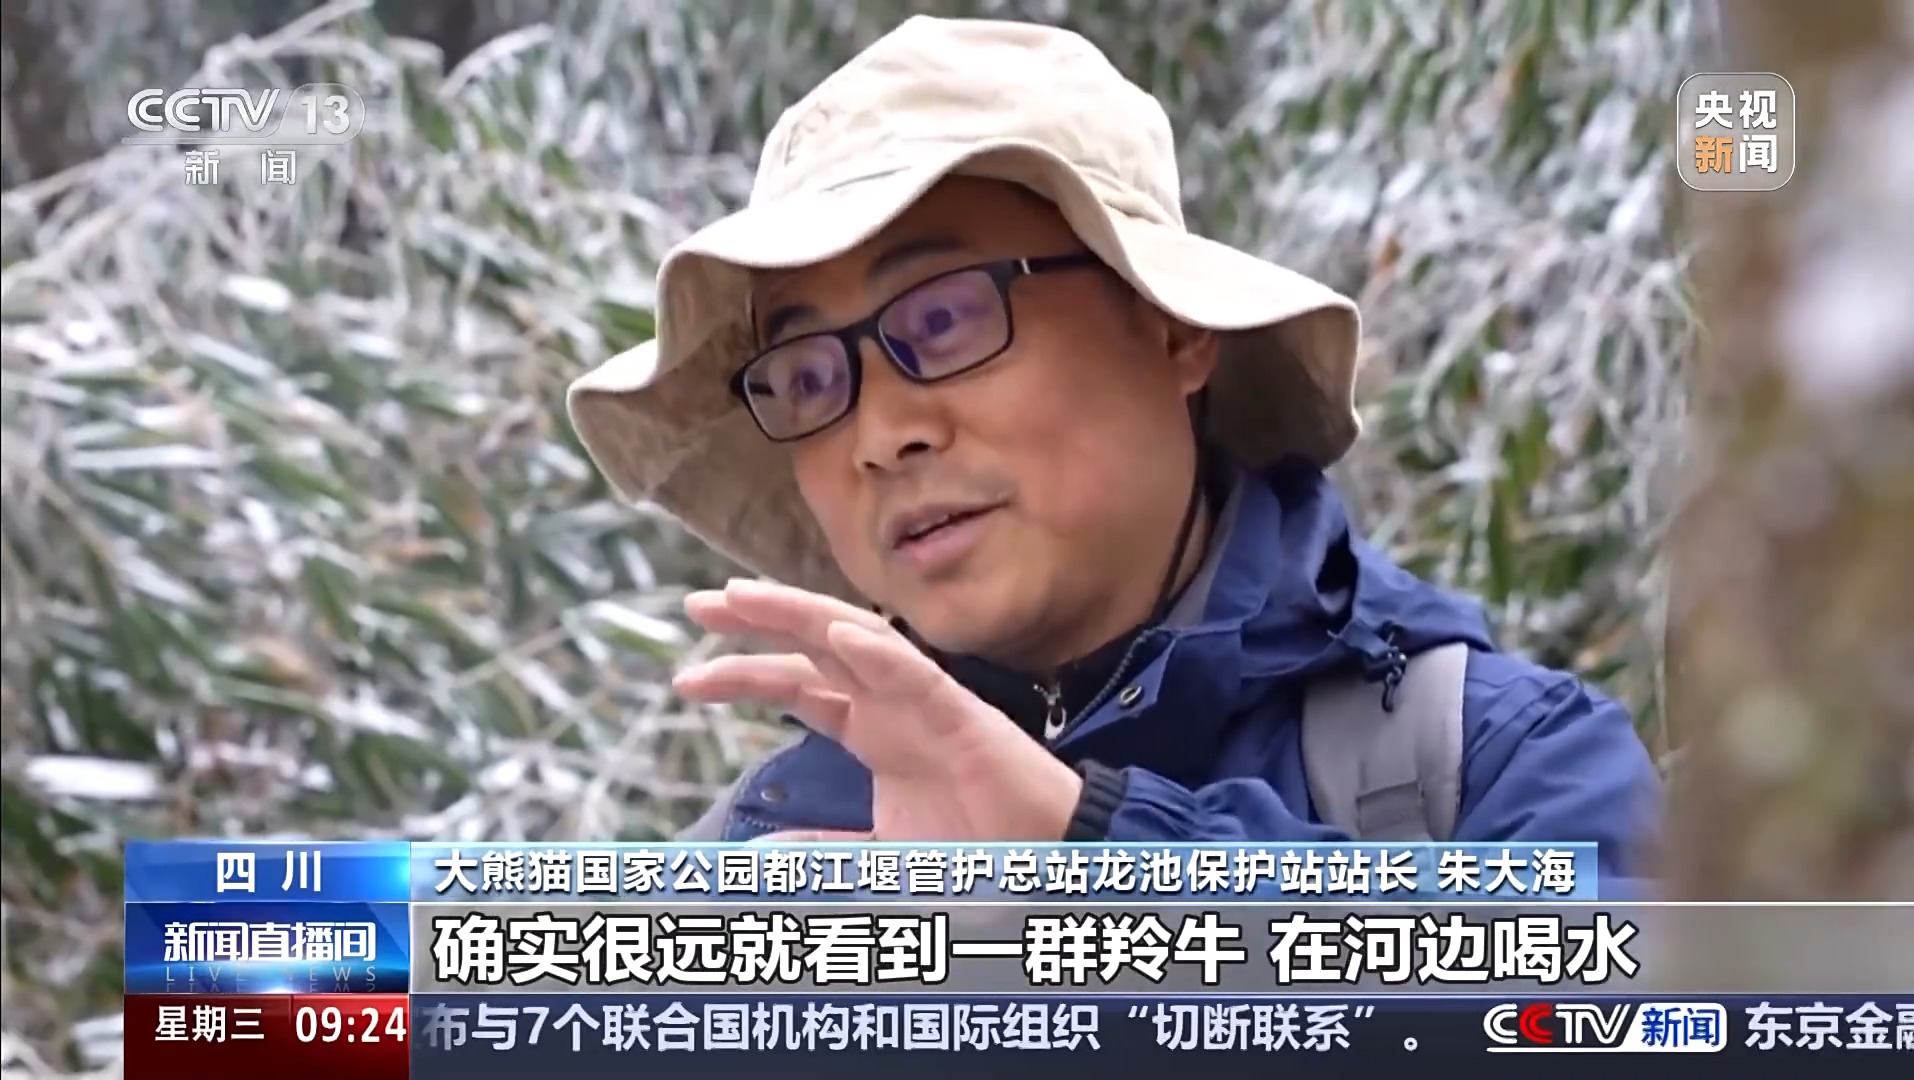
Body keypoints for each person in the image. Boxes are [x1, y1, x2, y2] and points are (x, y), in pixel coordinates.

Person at [565, 17, 1662, 887]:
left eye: (943, 320)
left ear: (1173, 329)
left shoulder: (1501, 774)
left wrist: (1090, 850)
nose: (881, 435)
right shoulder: (765, 865)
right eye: (808, 378)